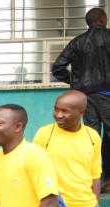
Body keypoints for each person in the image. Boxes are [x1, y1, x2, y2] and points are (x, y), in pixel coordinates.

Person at [51, 8, 110, 193]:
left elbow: (58, 67)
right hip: (107, 95)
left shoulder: (77, 42)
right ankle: (107, 179)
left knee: (91, 137)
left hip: (84, 97)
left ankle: (95, 180)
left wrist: (75, 82)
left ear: (88, 22)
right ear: (103, 19)